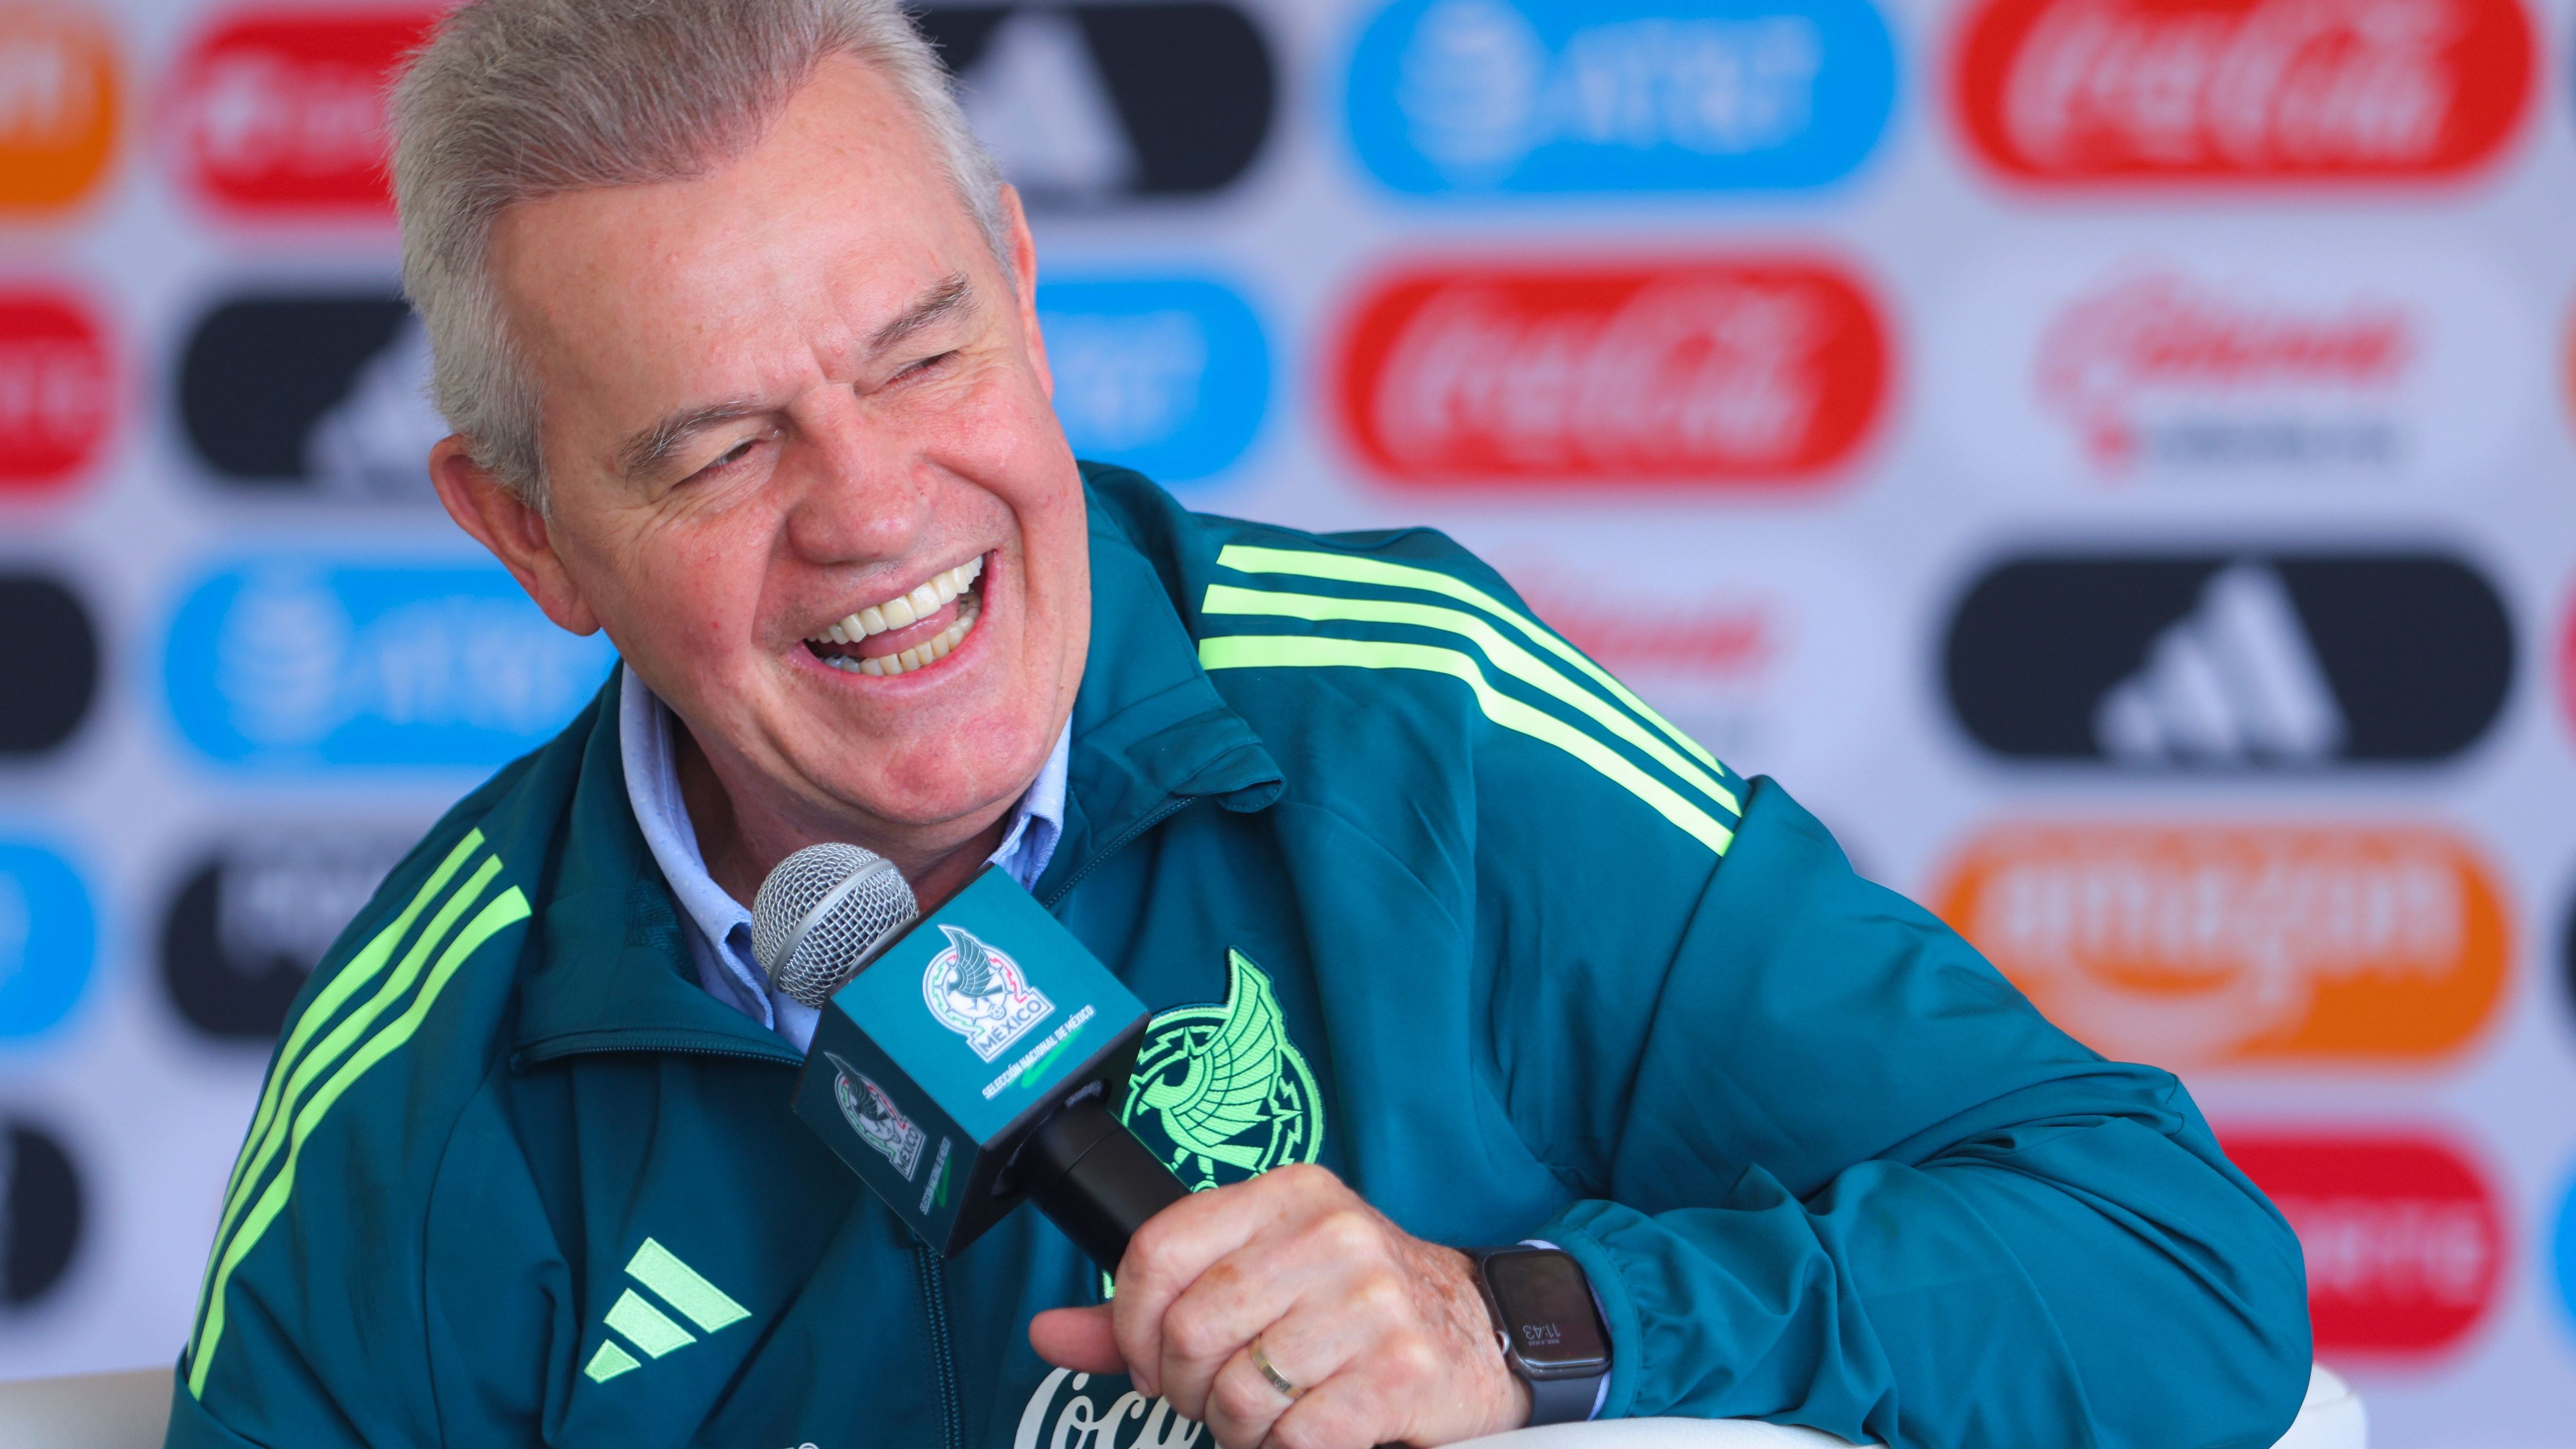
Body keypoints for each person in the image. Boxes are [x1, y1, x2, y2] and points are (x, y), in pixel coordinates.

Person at [165, 3, 2312, 1446]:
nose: (875, 510)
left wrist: (1524, 1320)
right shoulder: (426, 1058)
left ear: (1021, 283)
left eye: (924, 357)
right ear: (531, 533)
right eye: (721, 447)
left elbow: (2165, 1261)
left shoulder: (1411, 731)